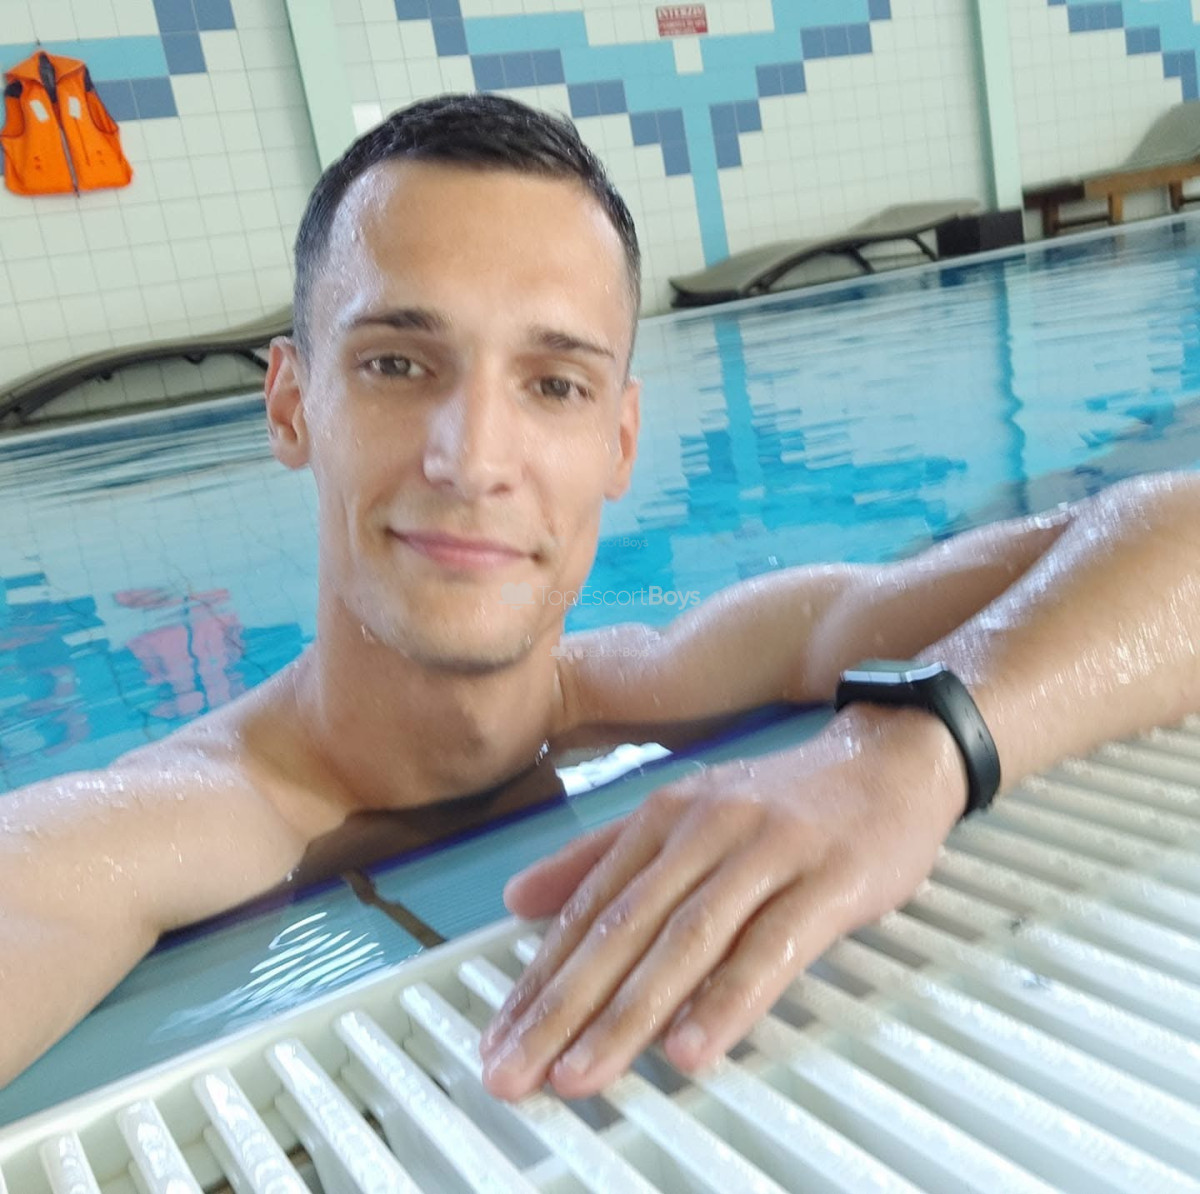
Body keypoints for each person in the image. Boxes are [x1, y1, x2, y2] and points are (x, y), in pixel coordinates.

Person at [1, 93, 1198, 1103]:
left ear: (621, 441)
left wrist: (911, 753)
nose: (474, 459)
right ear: (290, 405)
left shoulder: (671, 679)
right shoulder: (170, 824)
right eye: (397, 364)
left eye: (554, 384)